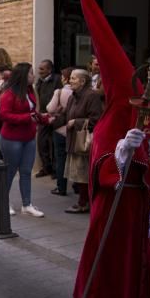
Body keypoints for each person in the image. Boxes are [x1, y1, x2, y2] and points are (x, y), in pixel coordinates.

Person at [72, 0, 150, 298]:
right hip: (112, 207)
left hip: (135, 207)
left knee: (132, 269)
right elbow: (100, 165)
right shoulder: (111, 117)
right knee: (110, 269)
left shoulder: (141, 110)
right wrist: (119, 156)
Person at [0, 62, 49, 217]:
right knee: (10, 172)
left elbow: (33, 112)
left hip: (28, 138)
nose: (34, 75)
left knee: (26, 171)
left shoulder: (31, 90)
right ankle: (3, 203)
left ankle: (27, 205)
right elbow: (3, 115)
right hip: (12, 139)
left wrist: (46, 119)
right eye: (31, 73)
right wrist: (26, 118)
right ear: (23, 76)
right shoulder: (9, 94)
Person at [63, 69, 103, 213]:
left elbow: (96, 119)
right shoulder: (72, 97)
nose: (70, 81)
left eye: (73, 78)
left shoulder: (91, 96)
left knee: (83, 174)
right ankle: (83, 201)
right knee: (78, 174)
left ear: (83, 81)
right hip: (74, 139)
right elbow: (66, 115)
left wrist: (76, 122)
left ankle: (84, 203)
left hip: (84, 141)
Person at [47, 67, 74, 196]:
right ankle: (77, 186)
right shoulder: (79, 92)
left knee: (60, 159)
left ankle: (61, 187)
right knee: (75, 158)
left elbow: (50, 108)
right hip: (74, 130)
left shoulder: (59, 92)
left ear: (66, 78)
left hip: (60, 129)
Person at [34, 59, 60, 178]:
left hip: (55, 116)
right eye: (39, 69)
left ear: (49, 70)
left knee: (54, 144)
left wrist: (56, 113)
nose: (40, 71)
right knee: (41, 143)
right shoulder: (39, 82)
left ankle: (55, 169)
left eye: (42, 69)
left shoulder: (57, 80)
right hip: (42, 116)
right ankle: (46, 167)